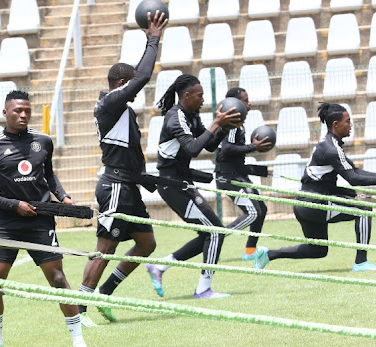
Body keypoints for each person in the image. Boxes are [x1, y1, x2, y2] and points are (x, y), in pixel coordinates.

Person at [0, 90, 92, 347]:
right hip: (5, 222)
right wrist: (13, 205)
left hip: (41, 221)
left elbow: (49, 174)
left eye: (27, 110)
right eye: (17, 111)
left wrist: (63, 196)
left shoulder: (43, 141)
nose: (23, 115)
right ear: (5, 113)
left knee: (58, 278)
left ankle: (78, 340)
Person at [77, 10, 166, 327]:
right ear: (122, 83)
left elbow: (130, 155)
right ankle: (80, 309)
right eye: (132, 84)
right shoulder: (110, 103)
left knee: (147, 244)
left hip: (128, 186)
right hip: (114, 188)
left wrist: (148, 179)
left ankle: (106, 292)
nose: (137, 89)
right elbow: (142, 76)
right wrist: (153, 40)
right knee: (105, 247)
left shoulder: (123, 112)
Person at [253, 103, 376, 272]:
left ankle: (268, 254)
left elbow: (354, 171)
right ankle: (361, 262)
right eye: (348, 121)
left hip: (304, 204)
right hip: (315, 203)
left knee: (318, 250)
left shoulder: (329, 144)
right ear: (336, 124)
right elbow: (353, 178)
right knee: (364, 210)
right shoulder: (331, 149)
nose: (351, 125)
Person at [144, 73, 240, 299]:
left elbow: (209, 145)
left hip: (182, 184)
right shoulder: (175, 117)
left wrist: (224, 127)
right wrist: (216, 122)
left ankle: (160, 267)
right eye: (199, 96)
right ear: (186, 96)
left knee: (210, 233)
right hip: (172, 185)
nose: (203, 100)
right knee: (215, 232)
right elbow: (192, 149)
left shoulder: (191, 115)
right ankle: (203, 289)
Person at [214, 87, 272, 261]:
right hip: (229, 178)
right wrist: (254, 146)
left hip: (238, 176)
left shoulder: (239, 124)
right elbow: (227, 148)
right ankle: (218, 235)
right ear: (236, 103)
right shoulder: (231, 124)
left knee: (261, 209)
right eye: (245, 100)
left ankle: (249, 251)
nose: (249, 103)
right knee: (253, 212)